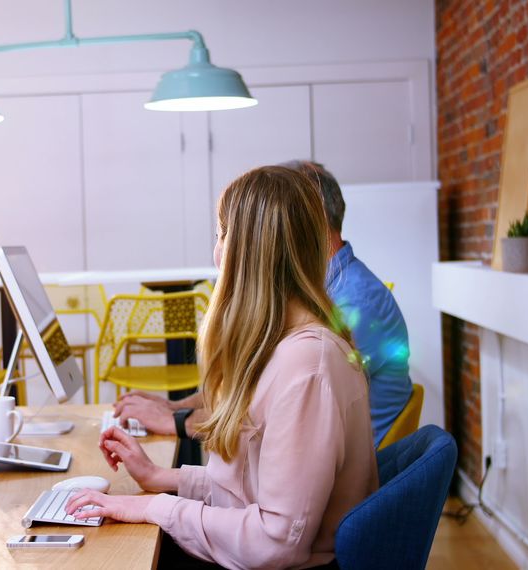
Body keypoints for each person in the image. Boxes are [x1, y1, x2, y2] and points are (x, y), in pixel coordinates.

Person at [66, 166, 378, 569]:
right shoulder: (284, 346)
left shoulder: (306, 364)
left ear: (244, 250)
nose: (216, 251)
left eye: (220, 235)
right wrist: (160, 477)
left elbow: (276, 541)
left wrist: (156, 508)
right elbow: (247, 490)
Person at [115, 160, 412, 448]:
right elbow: (246, 391)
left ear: (304, 220)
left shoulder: (351, 303)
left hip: (346, 470)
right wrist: (174, 408)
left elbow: (258, 415)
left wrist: (177, 422)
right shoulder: (312, 294)